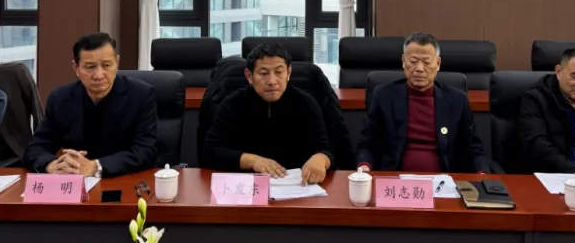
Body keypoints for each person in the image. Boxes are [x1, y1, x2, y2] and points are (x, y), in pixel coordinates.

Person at [23, 33, 159, 178]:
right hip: (76, 183)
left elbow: (146, 151)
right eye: (90, 67)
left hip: (123, 181)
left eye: (106, 65)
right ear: (76, 68)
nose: (99, 75)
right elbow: (35, 149)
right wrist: (51, 165)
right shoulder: (60, 99)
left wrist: (96, 166)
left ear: (117, 63)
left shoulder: (141, 95)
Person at [357, 33, 491, 173]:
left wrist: (481, 172)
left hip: (443, 180)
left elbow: (473, 149)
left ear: (438, 64)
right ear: (403, 61)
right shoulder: (384, 95)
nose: (419, 68)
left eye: (426, 62)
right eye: (413, 61)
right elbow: (367, 143)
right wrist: (364, 166)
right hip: (395, 179)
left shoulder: (458, 100)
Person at [201, 43, 334, 184]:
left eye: (279, 72)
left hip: (296, 187)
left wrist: (321, 159)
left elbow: (328, 149)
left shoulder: (306, 103)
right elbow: (208, 153)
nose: (272, 81)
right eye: (263, 74)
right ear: (249, 76)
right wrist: (252, 161)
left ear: (288, 73)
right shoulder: (233, 104)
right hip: (246, 187)